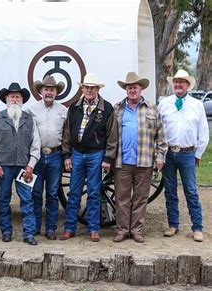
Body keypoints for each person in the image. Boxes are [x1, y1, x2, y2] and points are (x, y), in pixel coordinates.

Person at [60, 73, 118, 242]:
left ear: (98, 89)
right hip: (77, 153)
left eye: (92, 87)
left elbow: (112, 136)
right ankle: (69, 228)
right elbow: (67, 133)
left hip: (96, 154)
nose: (89, 90)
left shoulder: (107, 109)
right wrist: (66, 155)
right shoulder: (74, 107)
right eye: (86, 87)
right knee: (74, 192)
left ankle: (94, 228)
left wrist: (108, 158)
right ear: (82, 88)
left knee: (93, 192)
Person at [113, 72, 167, 243]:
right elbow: (110, 136)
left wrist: (160, 157)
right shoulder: (117, 109)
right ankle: (122, 230)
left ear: (141, 88)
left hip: (144, 161)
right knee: (122, 198)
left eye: (135, 87)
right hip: (122, 162)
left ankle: (136, 230)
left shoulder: (152, 109)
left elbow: (161, 137)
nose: (132, 90)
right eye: (129, 88)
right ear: (126, 90)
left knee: (140, 197)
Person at [0, 82, 41, 245]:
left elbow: (36, 144)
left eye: (17, 96)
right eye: (12, 96)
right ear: (6, 99)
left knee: (27, 200)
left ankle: (29, 233)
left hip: (24, 166)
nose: (15, 99)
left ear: (22, 99)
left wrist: (31, 165)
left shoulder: (29, 119)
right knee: (3, 199)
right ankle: (6, 232)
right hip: (4, 166)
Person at [158, 69, 209, 242]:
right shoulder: (164, 104)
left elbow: (203, 131)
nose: (179, 85)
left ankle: (197, 227)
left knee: (191, 190)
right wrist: (158, 153)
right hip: (168, 153)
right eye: (176, 82)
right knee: (170, 191)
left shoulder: (197, 105)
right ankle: (173, 225)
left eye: (182, 82)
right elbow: (157, 129)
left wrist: (198, 153)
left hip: (188, 154)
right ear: (173, 84)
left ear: (187, 85)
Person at [25, 75, 67, 240]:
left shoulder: (63, 111)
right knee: (35, 193)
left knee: (52, 193)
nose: (49, 92)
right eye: (46, 89)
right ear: (40, 91)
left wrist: (66, 156)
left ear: (56, 92)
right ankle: (35, 226)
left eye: (52, 89)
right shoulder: (31, 110)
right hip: (37, 156)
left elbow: (67, 135)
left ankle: (50, 228)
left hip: (56, 155)